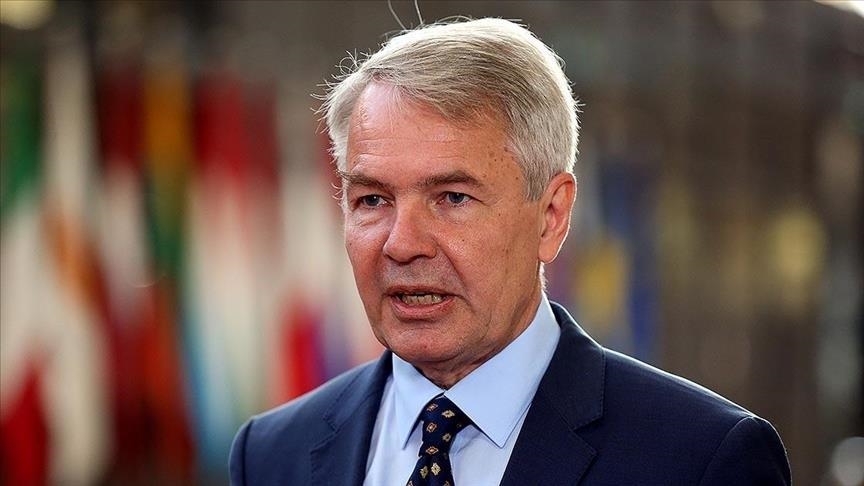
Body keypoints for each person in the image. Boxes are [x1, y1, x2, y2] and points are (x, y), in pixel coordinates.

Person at [229, 18, 792, 485]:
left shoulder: (701, 459)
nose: (401, 244)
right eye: (373, 199)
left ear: (552, 217)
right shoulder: (270, 456)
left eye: (452, 197)